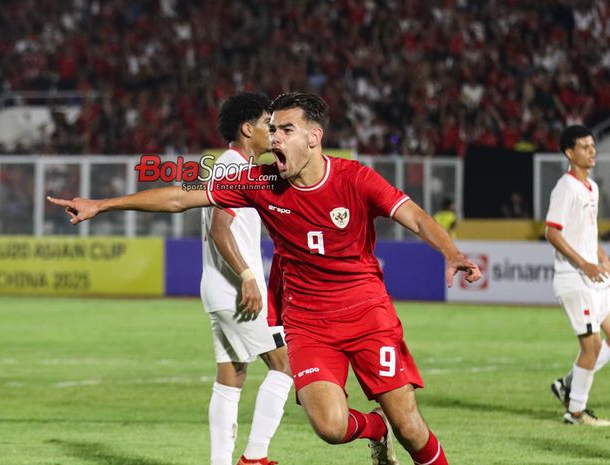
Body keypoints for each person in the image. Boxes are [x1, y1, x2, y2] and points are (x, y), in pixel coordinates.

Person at [47, 92, 481, 465]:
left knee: (411, 426)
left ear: (314, 137)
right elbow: (181, 197)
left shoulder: (355, 179)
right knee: (330, 428)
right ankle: (373, 429)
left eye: (286, 130)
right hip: (309, 322)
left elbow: (415, 217)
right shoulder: (259, 181)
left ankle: (395, 433)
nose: (275, 138)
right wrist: (102, 204)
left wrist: (451, 252)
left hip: (367, 313)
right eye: (272, 129)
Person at [201, 93, 293, 465]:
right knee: (286, 364)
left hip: (220, 288)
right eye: (268, 124)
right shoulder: (233, 168)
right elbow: (221, 231)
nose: (272, 131)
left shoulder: (235, 166)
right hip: (237, 290)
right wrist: (247, 277)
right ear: (246, 128)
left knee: (231, 375)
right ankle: (255, 458)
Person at [545, 125, 610, 426]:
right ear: (570, 153)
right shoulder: (565, 187)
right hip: (573, 277)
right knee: (592, 346)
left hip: (593, 276)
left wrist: (599, 254)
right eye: (585, 146)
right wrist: (585, 263)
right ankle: (575, 412)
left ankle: (567, 384)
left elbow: (585, 229)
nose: (592, 150)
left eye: (593, 145)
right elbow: (552, 232)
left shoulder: (592, 187)